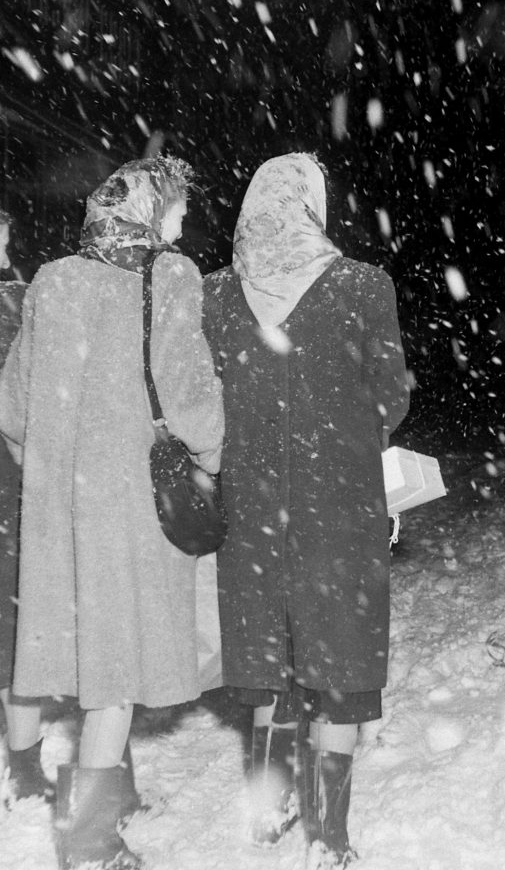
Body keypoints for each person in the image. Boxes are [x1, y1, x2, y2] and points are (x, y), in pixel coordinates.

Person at [0, 158, 224, 869]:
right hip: (131, 506)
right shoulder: (171, 275)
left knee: (96, 662)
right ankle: (90, 842)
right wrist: (215, 459)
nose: (183, 222)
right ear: (153, 210)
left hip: (64, 509)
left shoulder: (53, 279)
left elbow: (12, 407)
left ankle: (108, 800)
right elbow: (189, 392)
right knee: (118, 678)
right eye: (179, 208)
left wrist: (53, 473)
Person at [203, 153, 409, 870]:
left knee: (270, 652)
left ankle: (269, 811)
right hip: (340, 504)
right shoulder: (361, 285)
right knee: (341, 665)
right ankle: (330, 834)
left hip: (251, 508)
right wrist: (348, 425)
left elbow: (202, 402)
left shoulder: (217, 294)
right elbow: (391, 396)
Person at [0, 208, 49, 806]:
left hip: (19, 480)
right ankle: (26, 767)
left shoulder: (23, 294)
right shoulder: (19, 299)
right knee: (15, 627)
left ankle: (26, 765)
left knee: (17, 625)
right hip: (14, 477)